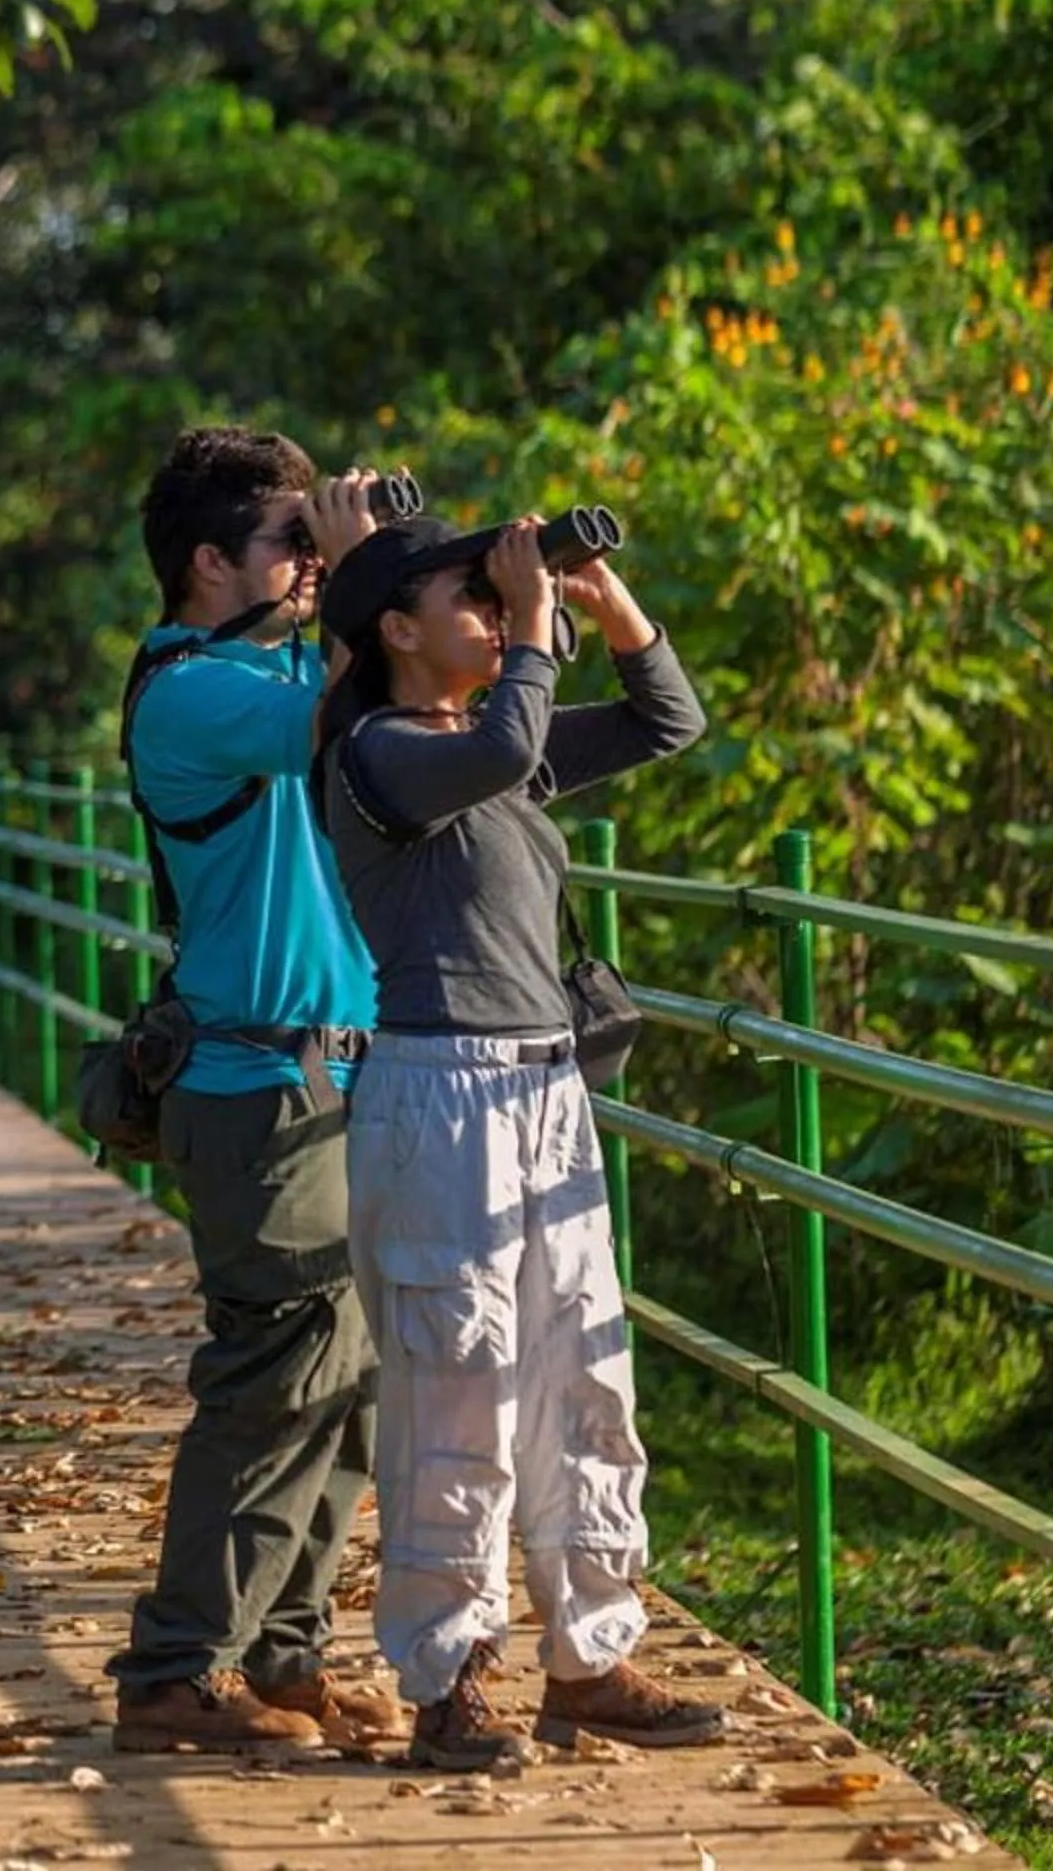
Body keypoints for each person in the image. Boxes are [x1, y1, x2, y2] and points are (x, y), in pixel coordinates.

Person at [312, 514, 720, 1771]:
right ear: (395, 629)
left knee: (584, 1377)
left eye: (500, 597)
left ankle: (590, 1656)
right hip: (439, 1094)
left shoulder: (504, 751)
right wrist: (536, 626)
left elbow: (668, 720)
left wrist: (601, 597)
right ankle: (451, 1678)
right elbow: (504, 741)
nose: (495, 611)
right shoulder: (382, 754)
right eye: (468, 595)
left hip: (548, 1090)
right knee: (459, 1390)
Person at [104, 426, 404, 1757]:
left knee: (351, 1389)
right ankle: (175, 1674)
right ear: (210, 561)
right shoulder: (191, 692)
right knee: (274, 1379)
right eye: (290, 540)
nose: (305, 561)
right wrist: (360, 579)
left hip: (338, 1076)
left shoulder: (270, 662)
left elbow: (386, 699)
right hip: (255, 1089)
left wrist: (396, 568)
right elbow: (336, 722)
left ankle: (285, 1657)